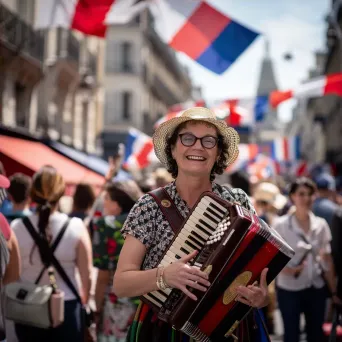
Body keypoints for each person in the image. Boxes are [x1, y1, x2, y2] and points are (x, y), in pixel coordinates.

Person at [114, 107, 270, 341]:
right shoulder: (149, 205)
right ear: (173, 150)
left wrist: (260, 297)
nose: (197, 146)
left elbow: (257, 277)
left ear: (218, 153)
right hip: (164, 330)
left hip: (227, 328)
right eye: (187, 138)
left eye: (208, 141)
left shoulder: (238, 201)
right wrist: (164, 276)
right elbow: (121, 284)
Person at [11, 166, 93, 342]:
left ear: (33, 193)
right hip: (67, 307)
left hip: (28, 306)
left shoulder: (17, 227)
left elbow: (12, 274)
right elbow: (86, 277)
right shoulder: (76, 226)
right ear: (61, 193)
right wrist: (84, 303)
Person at [273, 177, 341, 342]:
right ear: (292, 197)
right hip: (289, 289)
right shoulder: (280, 225)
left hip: (315, 287)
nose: (306, 198)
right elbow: (272, 258)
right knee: (291, 335)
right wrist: (287, 270)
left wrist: (333, 292)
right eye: (301, 194)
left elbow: (327, 260)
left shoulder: (321, 225)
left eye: (310, 194)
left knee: (316, 335)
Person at [92, 182, 139, 341]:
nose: (103, 202)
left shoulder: (106, 225)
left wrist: (96, 309)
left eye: (107, 198)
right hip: (143, 302)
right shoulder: (146, 222)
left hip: (116, 300)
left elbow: (103, 276)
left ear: (118, 204)